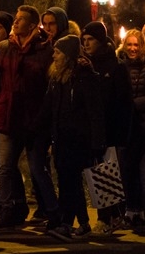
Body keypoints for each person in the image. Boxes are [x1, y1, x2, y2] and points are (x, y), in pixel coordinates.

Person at [0, 5, 58, 228]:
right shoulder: (4, 48)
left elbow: (51, 83)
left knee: (37, 166)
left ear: (31, 25)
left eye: (21, 19)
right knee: (6, 166)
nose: (16, 22)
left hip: (34, 117)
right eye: (16, 18)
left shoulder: (44, 50)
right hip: (9, 113)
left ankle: (53, 211)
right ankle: (11, 208)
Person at [38, 34, 104, 241]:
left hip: (78, 139)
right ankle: (83, 223)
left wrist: (97, 142)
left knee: (70, 182)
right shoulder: (57, 79)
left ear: (67, 55)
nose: (54, 55)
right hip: (61, 138)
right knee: (69, 181)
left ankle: (66, 223)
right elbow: (48, 109)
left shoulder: (84, 78)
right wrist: (35, 130)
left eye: (58, 52)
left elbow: (95, 112)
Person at [80, 20, 132, 233]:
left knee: (106, 173)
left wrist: (121, 133)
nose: (86, 44)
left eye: (90, 39)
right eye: (84, 40)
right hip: (93, 129)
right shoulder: (86, 65)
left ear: (100, 40)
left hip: (110, 129)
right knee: (96, 172)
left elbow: (123, 102)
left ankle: (109, 217)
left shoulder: (116, 67)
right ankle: (111, 215)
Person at [115, 28, 145, 235]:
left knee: (137, 168)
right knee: (126, 168)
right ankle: (132, 208)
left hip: (144, 125)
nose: (133, 48)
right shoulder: (120, 66)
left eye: (136, 45)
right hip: (125, 124)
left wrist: (132, 105)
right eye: (129, 44)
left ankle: (139, 208)